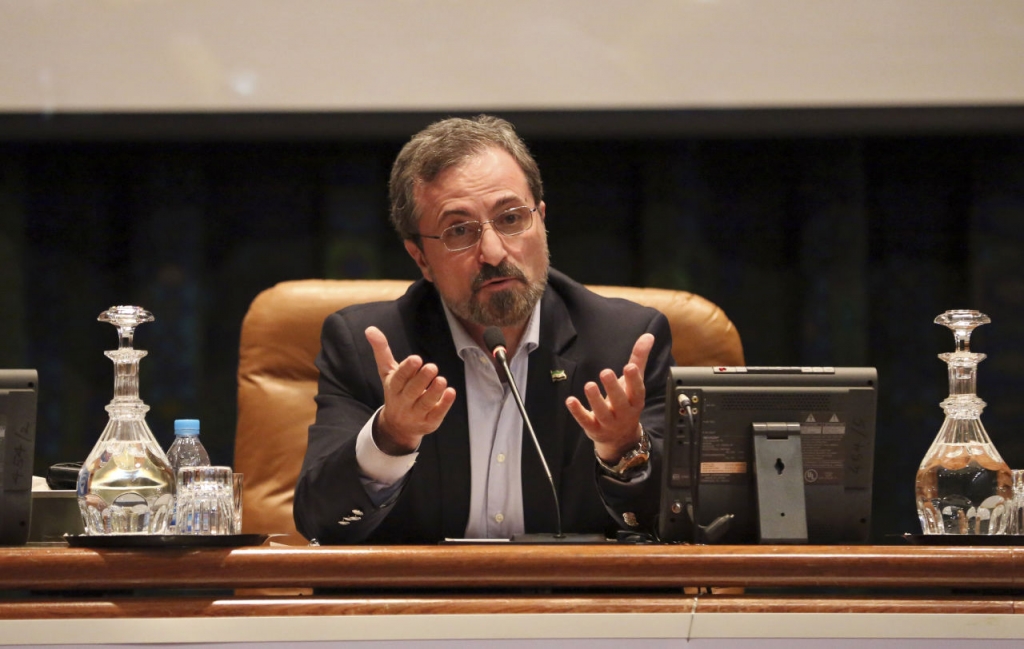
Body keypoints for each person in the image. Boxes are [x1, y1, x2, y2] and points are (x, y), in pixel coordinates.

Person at [293, 115, 674, 544]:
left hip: (572, 608)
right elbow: (320, 524)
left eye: (511, 219)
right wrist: (391, 438)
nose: (493, 252)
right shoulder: (371, 348)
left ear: (541, 221)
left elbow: (677, 528)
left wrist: (625, 449)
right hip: (420, 609)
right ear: (421, 259)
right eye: (459, 230)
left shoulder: (623, 344)